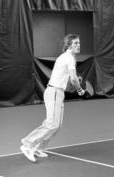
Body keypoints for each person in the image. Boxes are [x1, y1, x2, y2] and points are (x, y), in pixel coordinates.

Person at [20, 34, 85, 162]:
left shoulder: (64, 57)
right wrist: (79, 89)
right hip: (54, 92)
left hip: (57, 92)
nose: (79, 45)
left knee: (57, 125)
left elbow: (67, 81)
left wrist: (75, 81)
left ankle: (39, 147)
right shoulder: (69, 58)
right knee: (52, 124)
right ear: (69, 45)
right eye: (76, 43)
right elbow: (72, 79)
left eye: (79, 43)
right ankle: (27, 144)